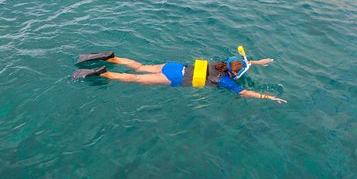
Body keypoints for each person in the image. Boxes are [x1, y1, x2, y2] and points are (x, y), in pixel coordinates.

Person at [72, 48, 287, 103]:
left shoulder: (220, 64)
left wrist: (258, 62)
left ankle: (111, 57)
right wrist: (268, 97)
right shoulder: (224, 81)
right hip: (174, 79)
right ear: (234, 73)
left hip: (173, 67)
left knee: (139, 67)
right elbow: (245, 92)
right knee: (137, 79)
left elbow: (242, 62)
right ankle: (104, 73)